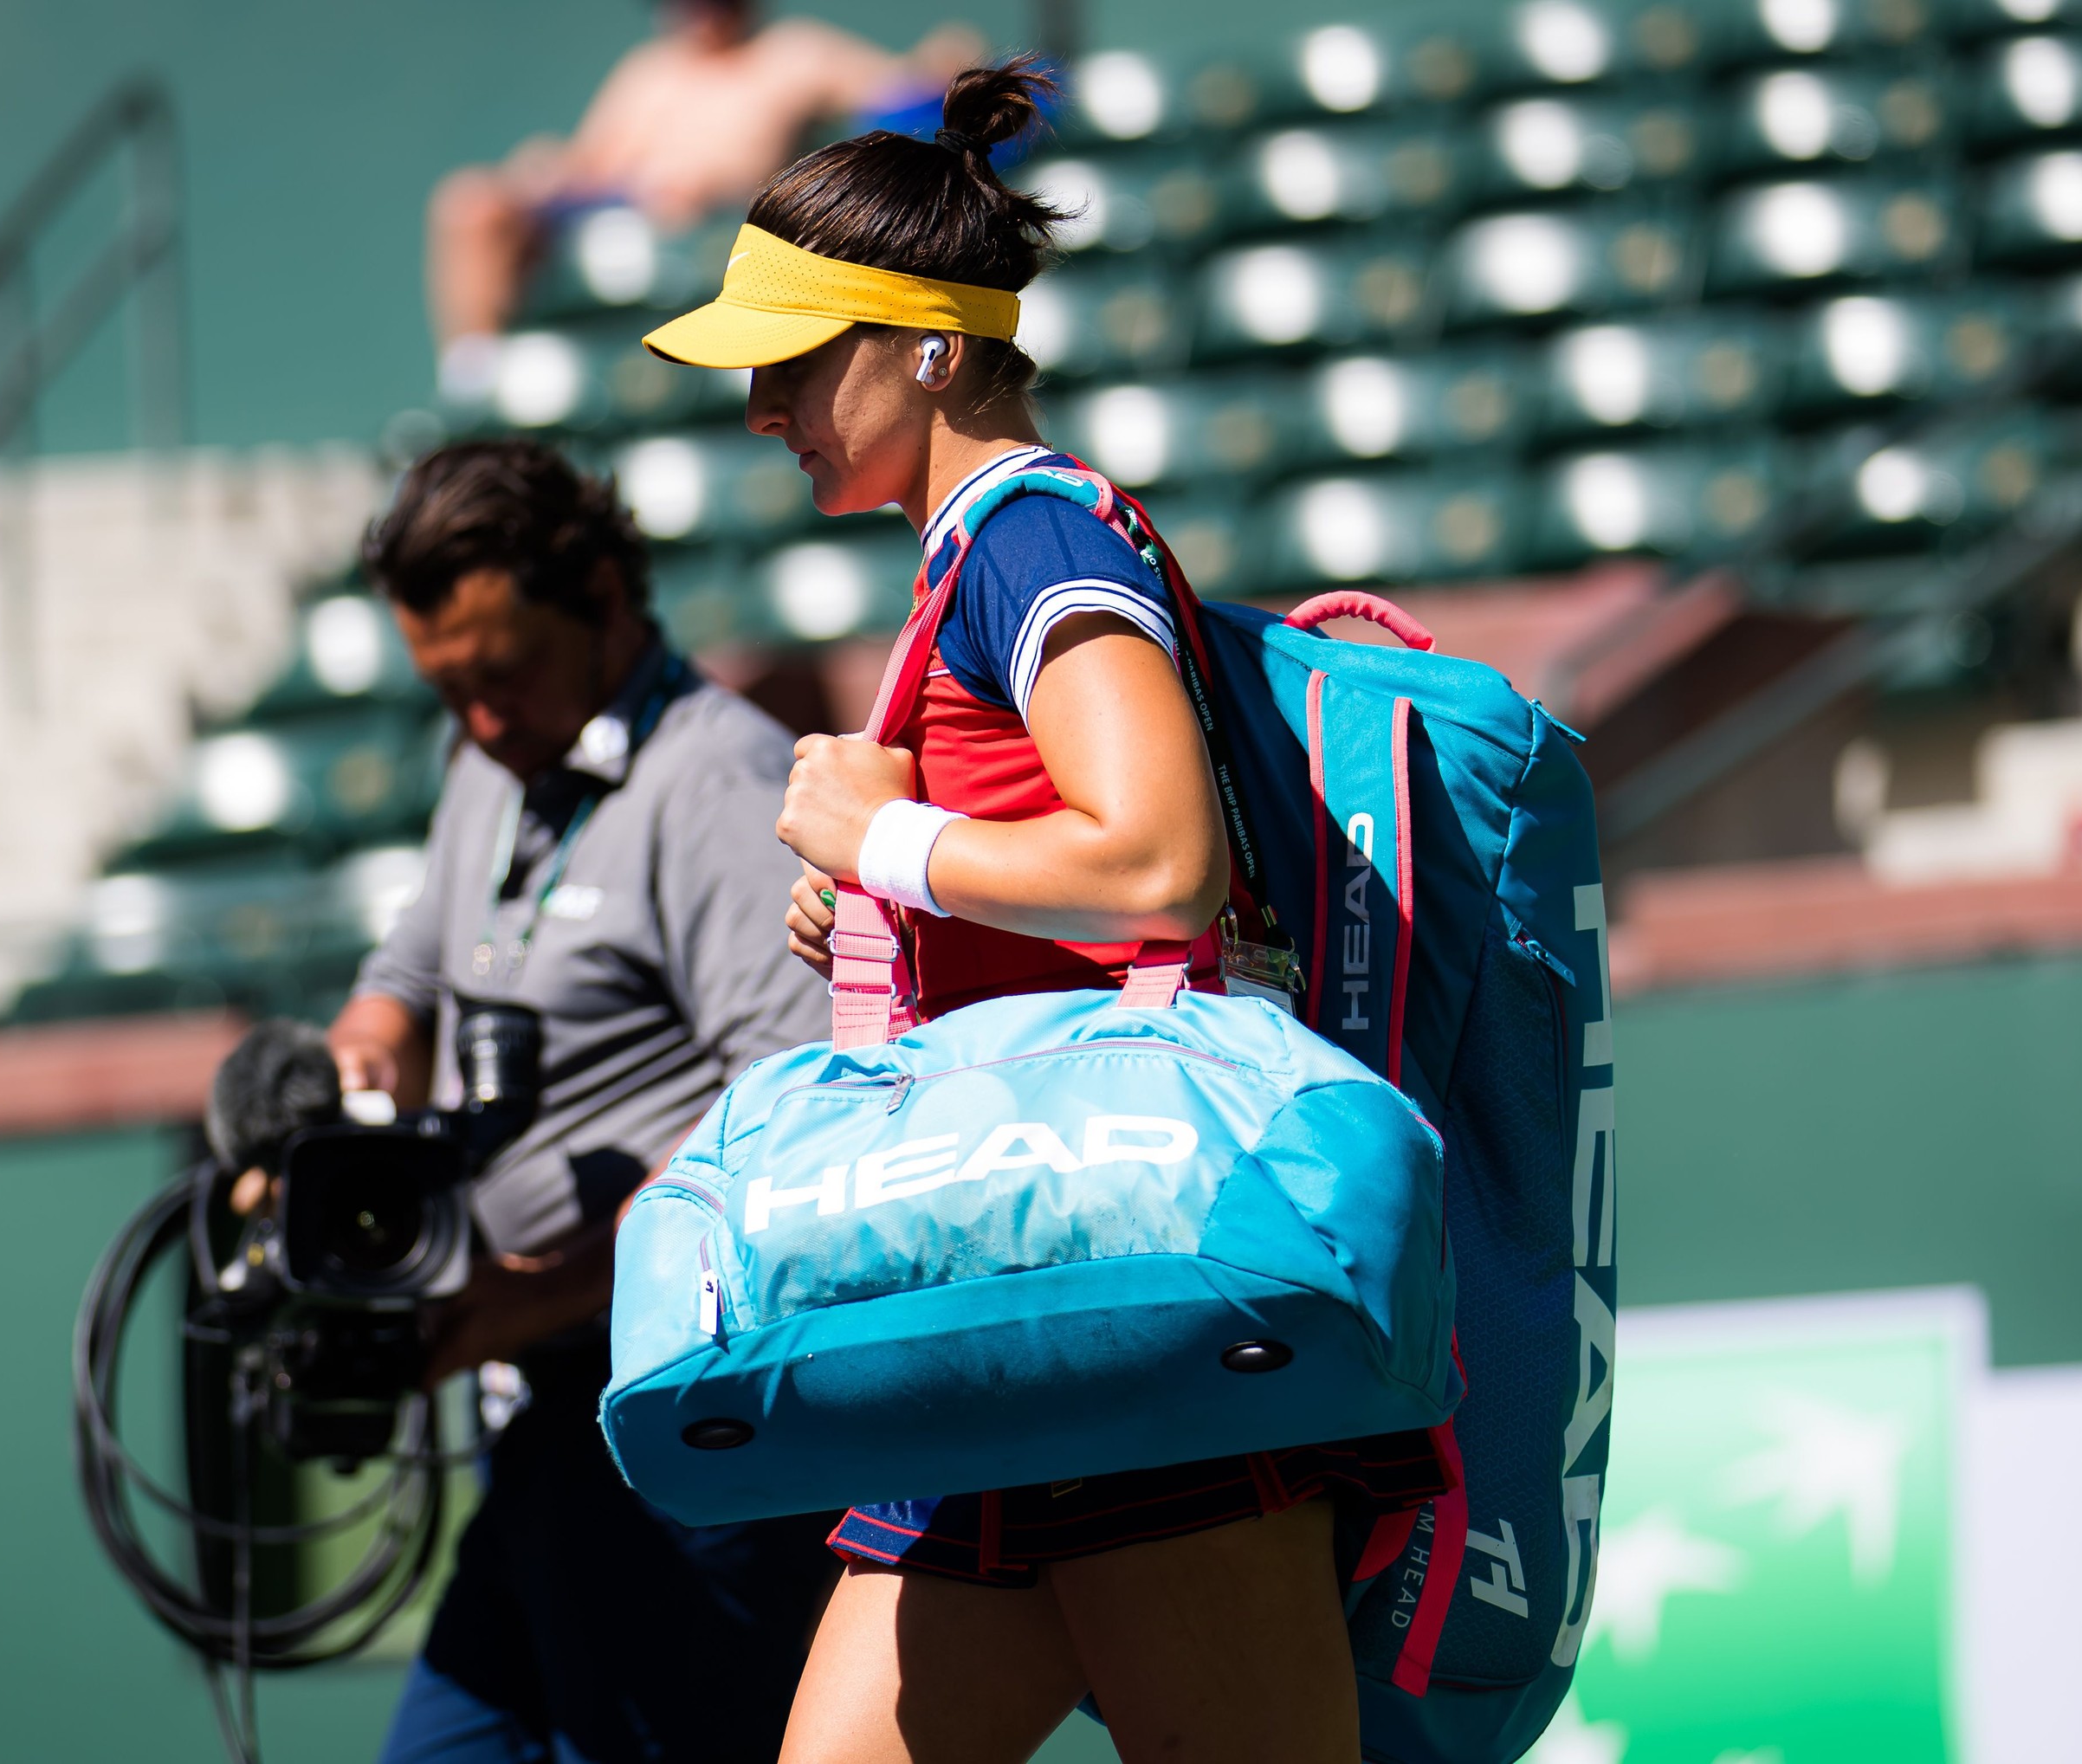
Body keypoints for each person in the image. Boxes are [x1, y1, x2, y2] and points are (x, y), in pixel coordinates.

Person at [637, 61, 1452, 1764]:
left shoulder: (1028, 531)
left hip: (1120, 1316)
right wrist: (885, 887)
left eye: (789, 361)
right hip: (1001, 1313)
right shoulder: (970, 554)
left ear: (928, 348)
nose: (756, 407)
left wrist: (901, 840)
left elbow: (1149, 859)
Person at [326, 438, 839, 1763]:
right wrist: (368, 1053)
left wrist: (520, 1293)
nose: (479, 720)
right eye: (448, 691)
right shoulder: (489, 767)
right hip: (544, 1421)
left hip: (683, 1432)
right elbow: (405, 972)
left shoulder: (716, 775)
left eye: (499, 676)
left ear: (606, 597)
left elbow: (787, 1120)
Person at [427, 0, 980, 392]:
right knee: (471, 204)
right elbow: (588, 165)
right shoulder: (650, 70)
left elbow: (901, 83)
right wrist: (545, 168)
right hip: (626, 206)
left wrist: (946, 58)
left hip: (726, 224)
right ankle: (475, 383)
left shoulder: (794, 53)